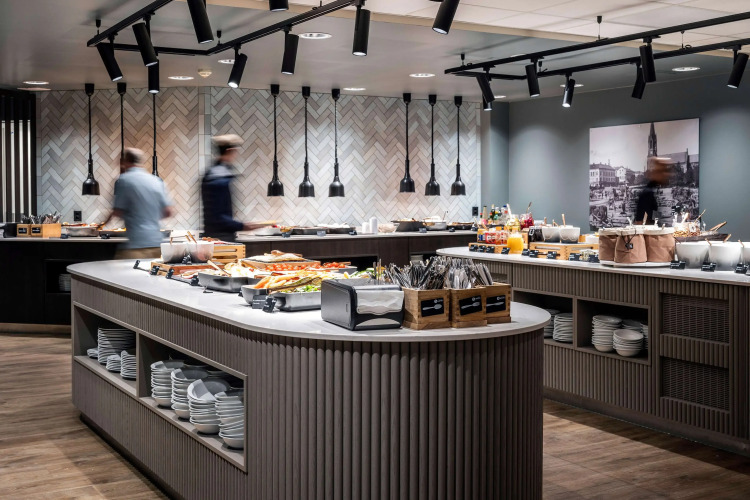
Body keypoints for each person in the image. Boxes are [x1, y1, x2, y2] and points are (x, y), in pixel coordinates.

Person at [102, 148, 174, 259]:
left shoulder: (124, 180)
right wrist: (150, 216)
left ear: (125, 161)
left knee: (116, 269)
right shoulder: (157, 181)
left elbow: (117, 212)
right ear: (141, 161)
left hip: (136, 246)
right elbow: (169, 212)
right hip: (157, 244)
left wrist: (101, 225)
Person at [202, 134, 271, 241]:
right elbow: (218, 217)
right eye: (235, 151)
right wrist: (243, 226)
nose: (236, 155)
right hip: (220, 238)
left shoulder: (212, 172)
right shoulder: (219, 176)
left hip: (214, 236)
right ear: (230, 150)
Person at [635, 156, 672, 224]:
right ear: (656, 173)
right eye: (662, 172)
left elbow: (655, 219)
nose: (666, 174)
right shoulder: (647, 195)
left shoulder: (651, 191)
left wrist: (659, 224)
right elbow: (642, 223)